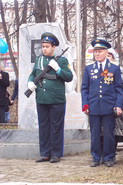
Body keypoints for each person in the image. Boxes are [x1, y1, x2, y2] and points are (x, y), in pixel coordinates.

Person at [27, 32, 73, 163]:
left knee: (56, 127)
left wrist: (58, 69)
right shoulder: (39, 60)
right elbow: (33, 73)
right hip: (42, 98)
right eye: (43, 46)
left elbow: (69, 77)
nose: (44, 49)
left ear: (53, 47)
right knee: (43, 126)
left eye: (47, 46)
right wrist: (30, 82)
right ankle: (45, 153)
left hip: (56, 99)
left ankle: (55, 154)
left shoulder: (62, 61)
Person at [81, 39, 123, 167]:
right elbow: (84, 89)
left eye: (100, 52)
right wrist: (85, 105)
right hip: (93, 106)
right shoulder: (89, 69)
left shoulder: (114, 68)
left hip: (109, 106)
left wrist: (118, 105)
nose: (97, 54)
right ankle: (95, 157)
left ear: (106, 52)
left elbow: (119, 89)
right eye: (95, 52)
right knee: (94, 134)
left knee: (109, 134)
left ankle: (108, 157)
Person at [106, 48, 123, 163]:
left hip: (117, 103)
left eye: (110, 55)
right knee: (102, 130)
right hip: (103, 103)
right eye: (107, 55)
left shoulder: (120, 69)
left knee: (115, 130)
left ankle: (112, 153)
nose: (108, 57)